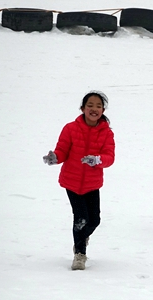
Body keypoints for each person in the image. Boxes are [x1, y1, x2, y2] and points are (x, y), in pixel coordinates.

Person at [43, 91, 115, 271]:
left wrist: (98, 160)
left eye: (98, 106)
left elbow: (110, 157)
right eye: (90, 105)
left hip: (92, 184)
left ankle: (81, 237)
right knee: (81, 218)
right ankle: (80, 254)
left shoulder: (106, 133)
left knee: (94, 220)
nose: (94, 109)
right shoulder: (70, 128)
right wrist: (55, 158)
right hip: (72, 182)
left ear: (103, 110)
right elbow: (62, 151)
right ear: (82, 108)